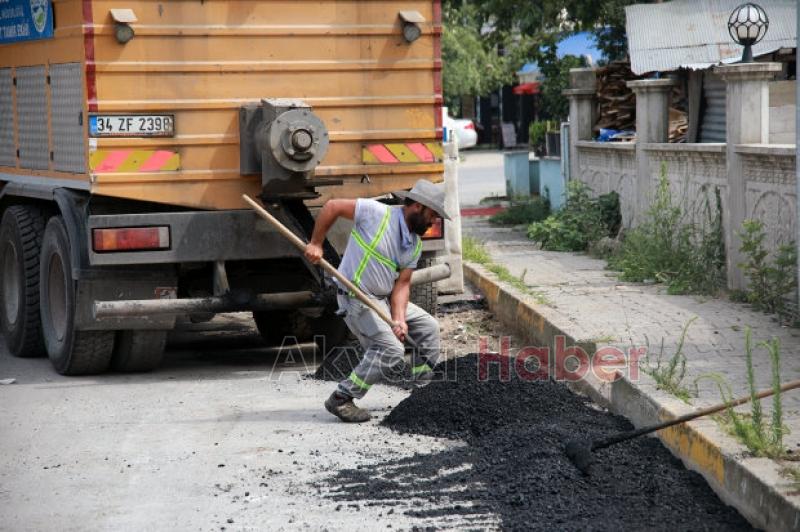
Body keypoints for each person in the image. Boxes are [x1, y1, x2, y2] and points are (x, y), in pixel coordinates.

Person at [304, 179, 450, 422]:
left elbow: (402, 285)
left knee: (428, 327)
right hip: (356, 299)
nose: (433, 221)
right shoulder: (376, 213)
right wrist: (316, 243)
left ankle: (423, 391)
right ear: (417, 207)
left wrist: (399, 319)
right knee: (391, 349)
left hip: (381, 299)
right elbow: (333, 206)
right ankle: (342, 397)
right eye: (433, 215)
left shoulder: (413, 245)